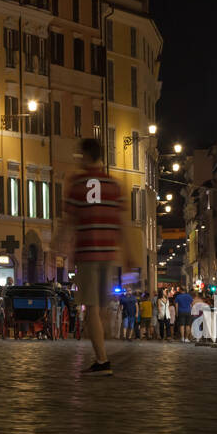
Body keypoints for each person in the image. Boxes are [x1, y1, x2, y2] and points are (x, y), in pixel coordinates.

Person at [63, 137, 123, 375]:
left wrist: (61, 242)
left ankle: (102, 361)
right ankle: (102, 342)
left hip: (87, 252)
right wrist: (127, 254)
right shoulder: (113, 184)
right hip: (108, 253)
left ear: (86, 156)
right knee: (100, 308)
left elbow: (69, 218)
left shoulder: (78, 183)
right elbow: (122, 223)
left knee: (91, 309)